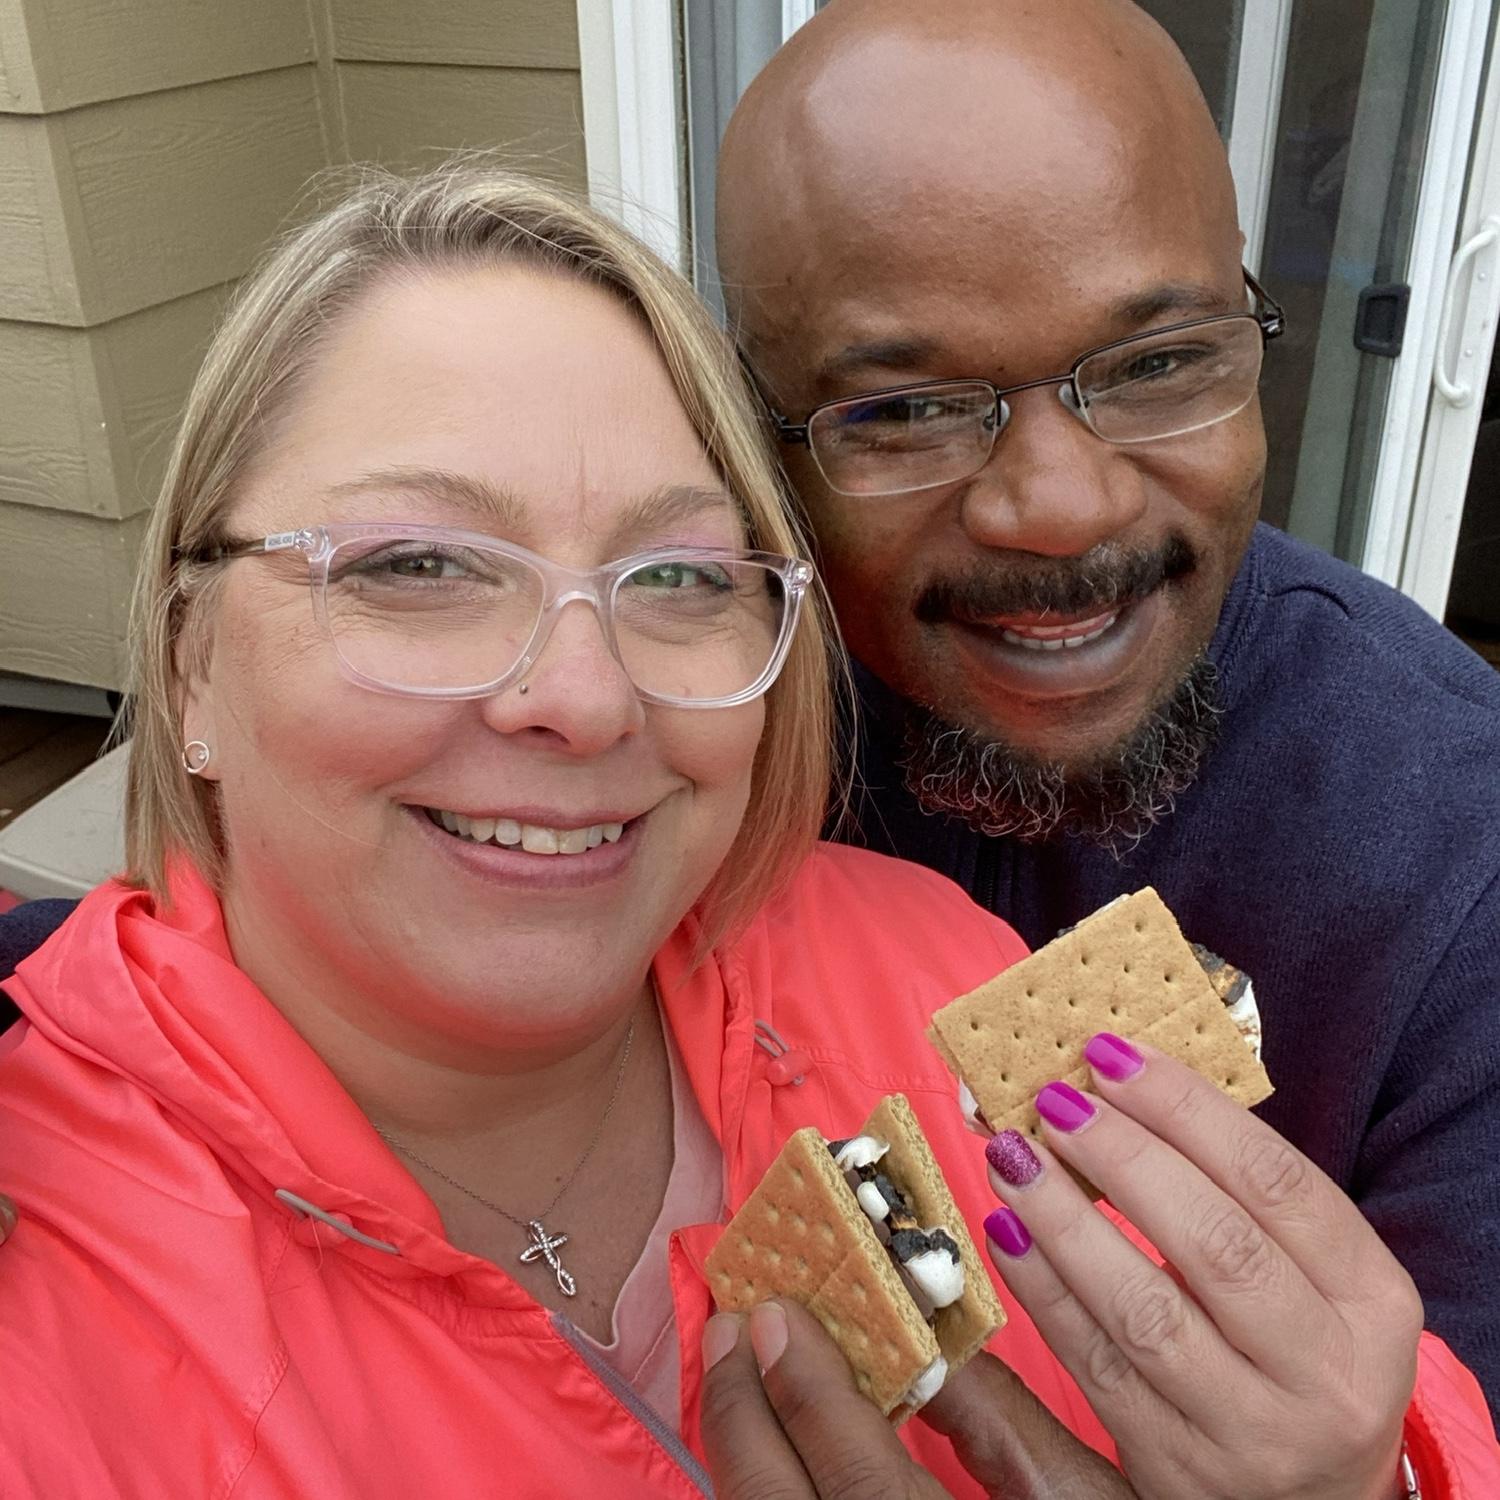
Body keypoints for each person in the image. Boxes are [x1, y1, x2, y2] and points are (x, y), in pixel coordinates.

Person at [1, 162, 1494, 1500]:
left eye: (680, 580)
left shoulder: (930, 969)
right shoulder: (46, 1302)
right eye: (418, 563)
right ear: (191, 666)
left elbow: (1343, 1407)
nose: (582, 699)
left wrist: (1371, 1476)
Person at [714, 0, 1500, 1415]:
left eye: (1157, 365)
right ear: (757, 432)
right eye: (904, 410)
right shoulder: (691, 749)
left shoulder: (1465, 849)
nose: (1060, 506)